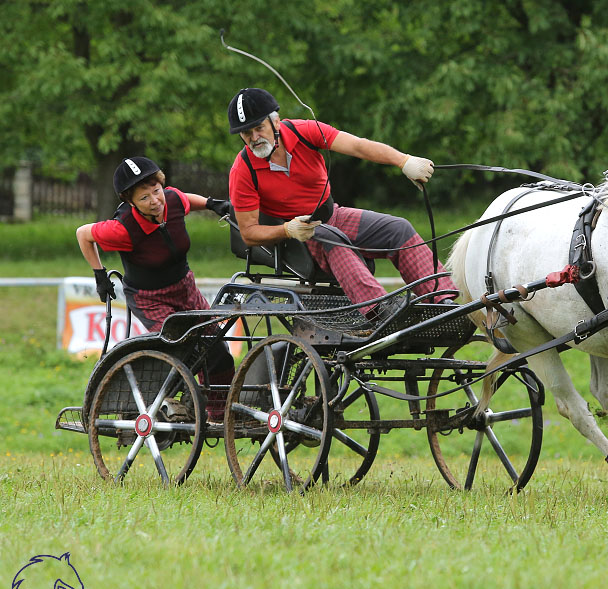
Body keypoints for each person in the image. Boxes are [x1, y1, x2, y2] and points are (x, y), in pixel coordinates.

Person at [226, 87, 458, 318]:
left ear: (275, 123)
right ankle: (380, 312)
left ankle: (442, 301)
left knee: (398, 229)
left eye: (259, 128)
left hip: (332, 215)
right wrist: (288, 229)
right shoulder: (243, 170)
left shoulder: (303, 131)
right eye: (246, 133)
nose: (254, 138)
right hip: (300, 238)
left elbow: (357, 145)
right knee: (333, 239)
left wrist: (403, 161)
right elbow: (249, 233)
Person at [76, 156, 235, 421]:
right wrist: (99, 273)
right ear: (130, 202)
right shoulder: (122, 229)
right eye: (144, 198)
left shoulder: (171, 199)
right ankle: (179, 403)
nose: (155, 201)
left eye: (156, 191)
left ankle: (219, 414)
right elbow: (83, 233)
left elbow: (183, 199)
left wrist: (211, 203)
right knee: (186, 349)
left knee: (216, 347)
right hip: (150, 298)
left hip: (185, 288)